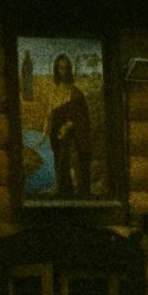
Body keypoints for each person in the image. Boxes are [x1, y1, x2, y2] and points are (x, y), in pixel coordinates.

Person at [48, 52, 95, 197]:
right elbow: (50, 112)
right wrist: (49, 127)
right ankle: (63, 191)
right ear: (57, 70)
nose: (64, 71)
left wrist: (68, 126)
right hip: (57, 135)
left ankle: (78, 192)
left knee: (68, 161)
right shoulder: (54, 92)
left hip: (72, 136)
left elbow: (81, 118)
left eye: (67, 68)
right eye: (61, 68)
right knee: (59, 161)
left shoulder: (76, 93)